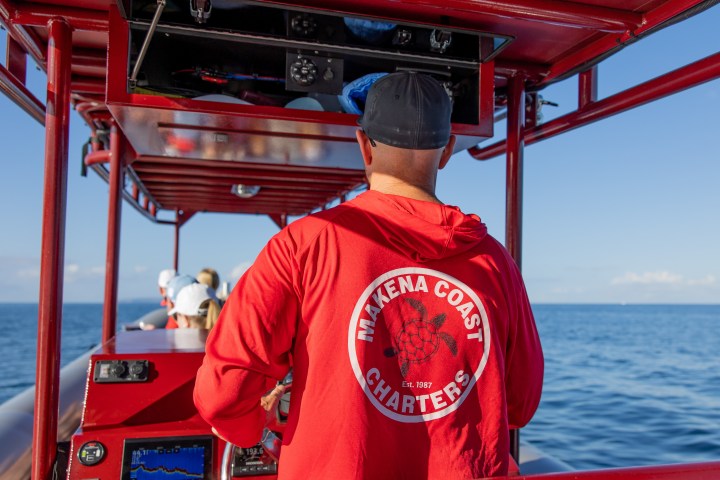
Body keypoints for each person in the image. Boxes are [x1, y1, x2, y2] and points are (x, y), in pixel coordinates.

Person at [194, 71, 543, 479]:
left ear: (364, 145)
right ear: (447, 150)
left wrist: (256, 426)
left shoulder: (303, 245)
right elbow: (519, 403)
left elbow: (223, 395)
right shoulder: (495, 262)